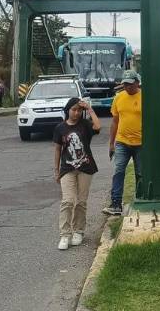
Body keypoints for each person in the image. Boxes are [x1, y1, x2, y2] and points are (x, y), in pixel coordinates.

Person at [53, 98, 102, 250]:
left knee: (81, 202)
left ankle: (78, 231)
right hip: (67, 168)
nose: (76, 113)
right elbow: (57, 150)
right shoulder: (60, 128)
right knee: (67, 201)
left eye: (79, 110)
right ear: (68, 110)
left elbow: (98, 126)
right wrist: (56, 170)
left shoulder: (85, 125)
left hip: (85, 168)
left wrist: (89, 108)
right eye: (73, 110)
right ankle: (65, 234)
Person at [102, 70, 143, 216]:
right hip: (122, 141)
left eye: (131, 84)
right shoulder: (118, 98)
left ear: (137, 83)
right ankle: (116, 204)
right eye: (125, 84)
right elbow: (115, 121)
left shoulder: (145, 97)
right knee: (119, 171)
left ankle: (140, 199)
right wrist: (111, 143)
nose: (128, 87)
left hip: (141, 143)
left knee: (140, 172)